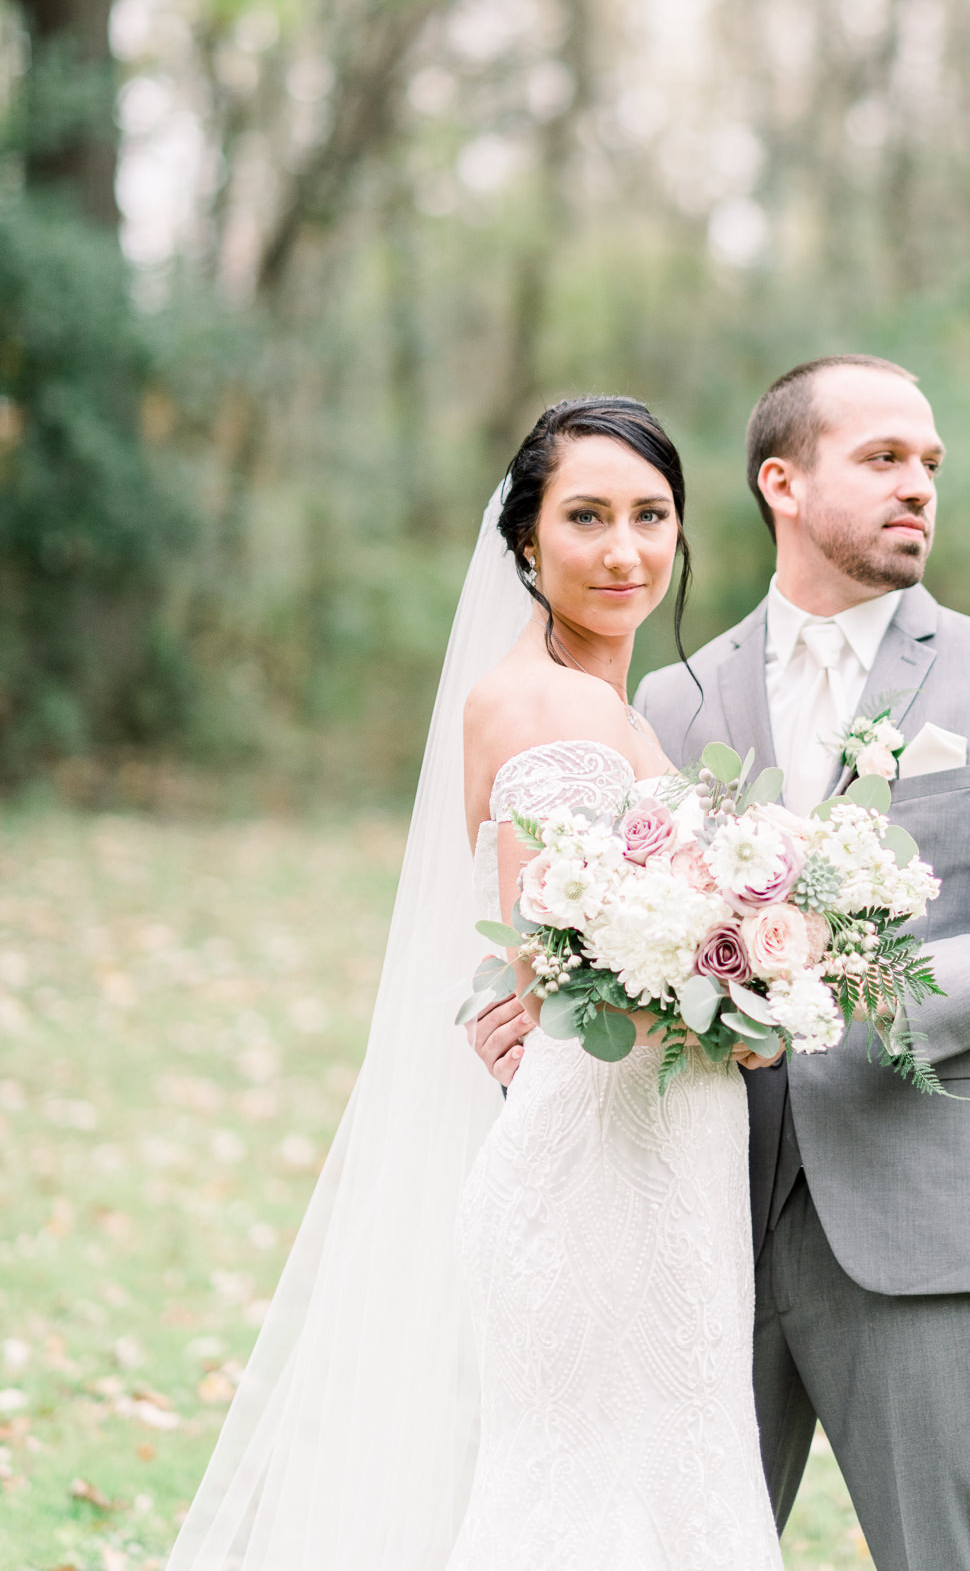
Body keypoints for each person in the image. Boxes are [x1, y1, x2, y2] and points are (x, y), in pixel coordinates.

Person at [476, 354, 970, 1571]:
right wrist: (507, 1005)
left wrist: (846, 1000)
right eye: (882, 459)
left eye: (929, 465)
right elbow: (572, 904)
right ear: (781, 480)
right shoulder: (666, 701)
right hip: (689, 1217)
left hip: (924, 1219)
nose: (917, 487)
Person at [166, 395, 782, 1571]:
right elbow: (575, 963)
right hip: (602, 1165)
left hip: (649, 1148)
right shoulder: (547, 702)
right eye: (586, 516)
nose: (624, 551)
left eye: (652, 516)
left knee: (655, 1483)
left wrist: (764, 975)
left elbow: (522, 945)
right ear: (524, 544)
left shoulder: (604, 702)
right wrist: (750, 982)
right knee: (590, 1502)